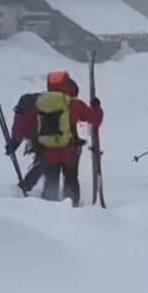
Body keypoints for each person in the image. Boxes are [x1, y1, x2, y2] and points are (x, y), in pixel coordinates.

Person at [34, 70, 103, 206]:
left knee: (50, 181)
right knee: (71, 180)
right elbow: (95, 119)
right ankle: (71, 208)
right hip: (69, 151)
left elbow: (29, 125)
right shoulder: (73, 104)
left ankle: (47, 210)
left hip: (47, 151)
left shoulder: (40, 103)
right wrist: (97, 107)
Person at [8, 92, 44, 194]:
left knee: (43, 163)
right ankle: (27, 186)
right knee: (44, 163)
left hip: (43, 136)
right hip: (45, 137)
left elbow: (18, 131)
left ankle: (26, 187)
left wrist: (14, 144)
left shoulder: (22, 112)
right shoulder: (27, 112)